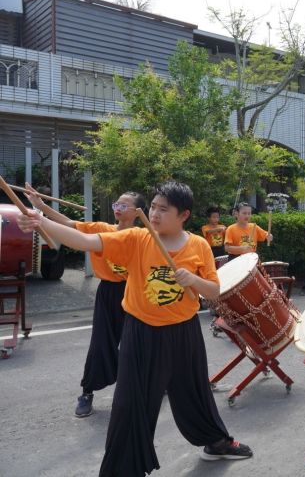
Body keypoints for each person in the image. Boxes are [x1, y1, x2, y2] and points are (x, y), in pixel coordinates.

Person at [16, 181, 252, 475]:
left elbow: (214, 291)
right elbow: (86, 240)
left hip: (184, 332)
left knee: (194, 392)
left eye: (163, 209)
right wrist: (41, 221)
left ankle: (216, 443)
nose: (154, 213)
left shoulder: (198, 245)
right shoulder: (138, 238)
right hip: (141, 332)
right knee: (130, 402)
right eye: (153, 206)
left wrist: (193, 280)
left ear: (183, 215)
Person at [24, 184, 146, 418]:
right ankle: (87, 391)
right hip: (108, 292)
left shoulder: (143, 237)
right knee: (100, 343)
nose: (118, 208)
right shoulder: (102, 229)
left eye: (124, 206)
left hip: (135, 292)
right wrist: (40, 206)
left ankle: (151, 383)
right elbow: (69, 224)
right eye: (116, 204)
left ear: (138, 213)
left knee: (139, 343)